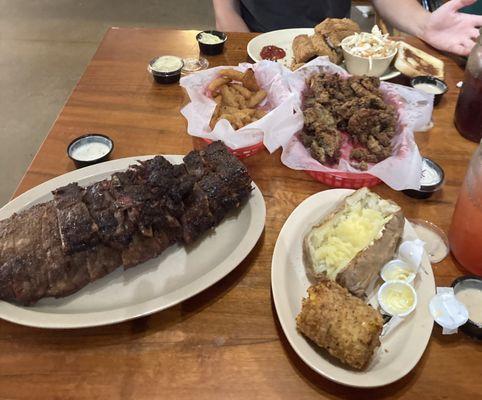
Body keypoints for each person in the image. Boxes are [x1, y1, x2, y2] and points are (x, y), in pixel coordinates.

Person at [212, 0, 482, 56]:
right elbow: (226, 11)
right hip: (260, 47)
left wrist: (424, 24)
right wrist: (257, 58)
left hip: (337, 49)